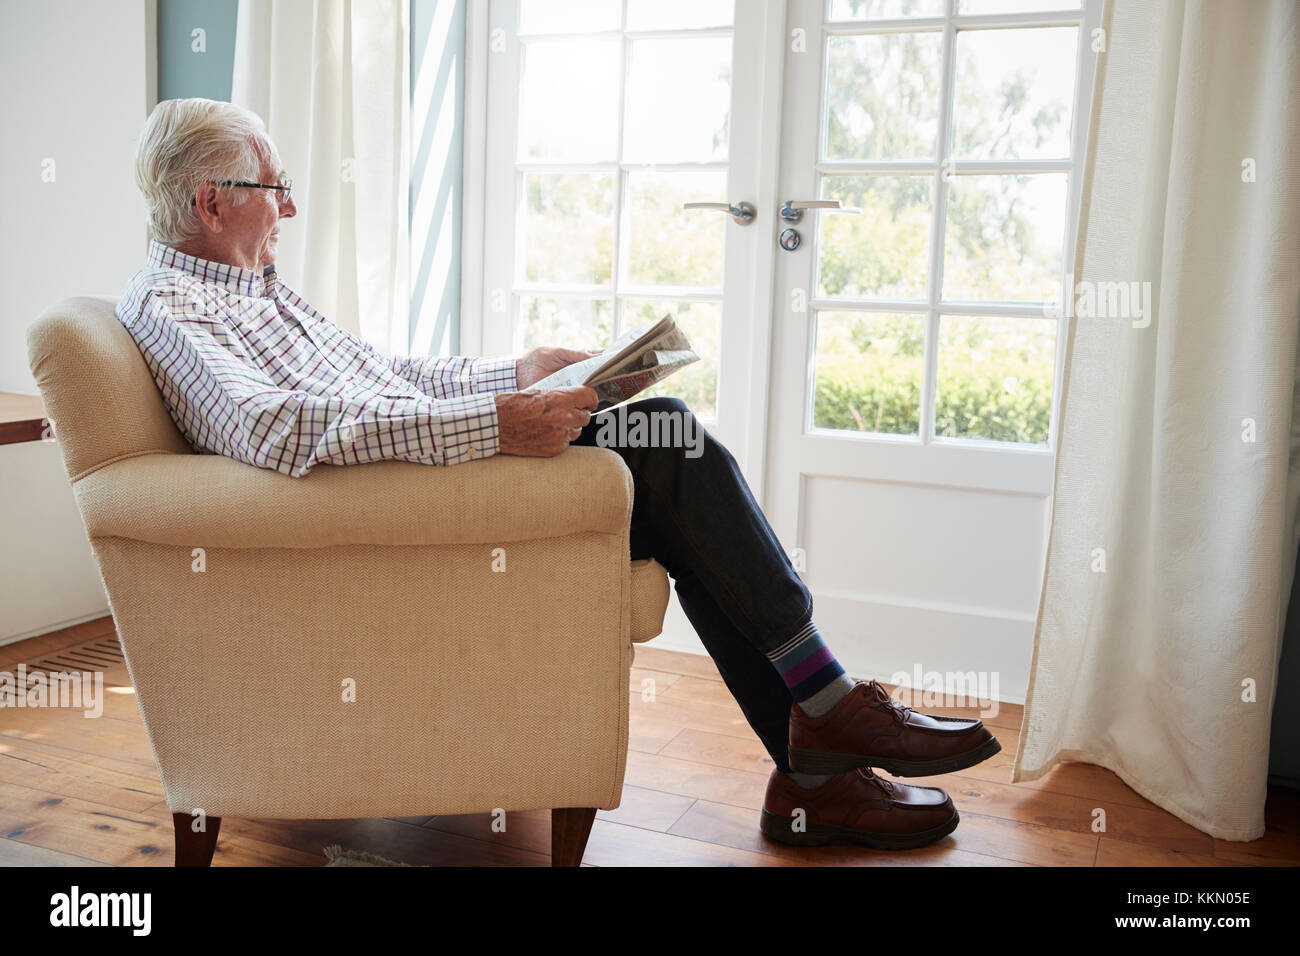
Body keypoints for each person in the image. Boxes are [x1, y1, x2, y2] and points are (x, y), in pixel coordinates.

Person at [118, 98, 1001, 852]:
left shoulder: (256, 287)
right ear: (211, 202)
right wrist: (496, 423)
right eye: (273, 187)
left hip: (432, 479)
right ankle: (827, 711)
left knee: (676, 475)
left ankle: (815, 769)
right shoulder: (169, 306)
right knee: (665, 440)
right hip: (413, 509)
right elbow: (271, 428)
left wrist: (518, 372)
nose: (290, 207)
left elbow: (386, 374)